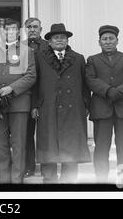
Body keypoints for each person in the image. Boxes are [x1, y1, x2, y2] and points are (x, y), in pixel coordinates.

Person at [32, 23, 91, 183]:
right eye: (56, 37)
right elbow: (34, 83)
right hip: (48, 107)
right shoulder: (39, 57)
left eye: (63, 37)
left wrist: (86, 104)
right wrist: (35, 105)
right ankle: (49, 180)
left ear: (67, 40)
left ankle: (68, 181)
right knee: (48, 145)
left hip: (73, 108)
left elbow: (85, 85)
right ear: (49, 41)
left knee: (71, 145)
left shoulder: (78, 58)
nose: (59, 40)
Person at [0, 18, 36, 183]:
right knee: (0, 144)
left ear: (19, 32)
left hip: (19, 104)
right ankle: (4, 179)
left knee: (19, 144)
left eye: (13, 29)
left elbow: (31, 76)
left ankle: (17, 179)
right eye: (6, 29)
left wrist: (11, 88)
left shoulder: (27, 51)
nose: (10, 32)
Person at [85, 25, 123, 183]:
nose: (108, 42)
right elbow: (90, 80)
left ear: (117, 40)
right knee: (101, 147)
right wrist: (108, 91)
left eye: (111, 39)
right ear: (99, 42)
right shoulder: (92, 60)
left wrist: (118, 92)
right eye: (104, 39)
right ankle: (102, 180)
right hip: (102, 110)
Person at [24, 17, 49, 178]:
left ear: (41, 29)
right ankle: (29, 167)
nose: (32, 29)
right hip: (25, 95)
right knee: (26, 135)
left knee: (46, 133)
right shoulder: (19, 47)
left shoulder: (49, 46)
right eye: (29, 27)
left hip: (45, 94)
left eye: (35, 27)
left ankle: (47, 167)